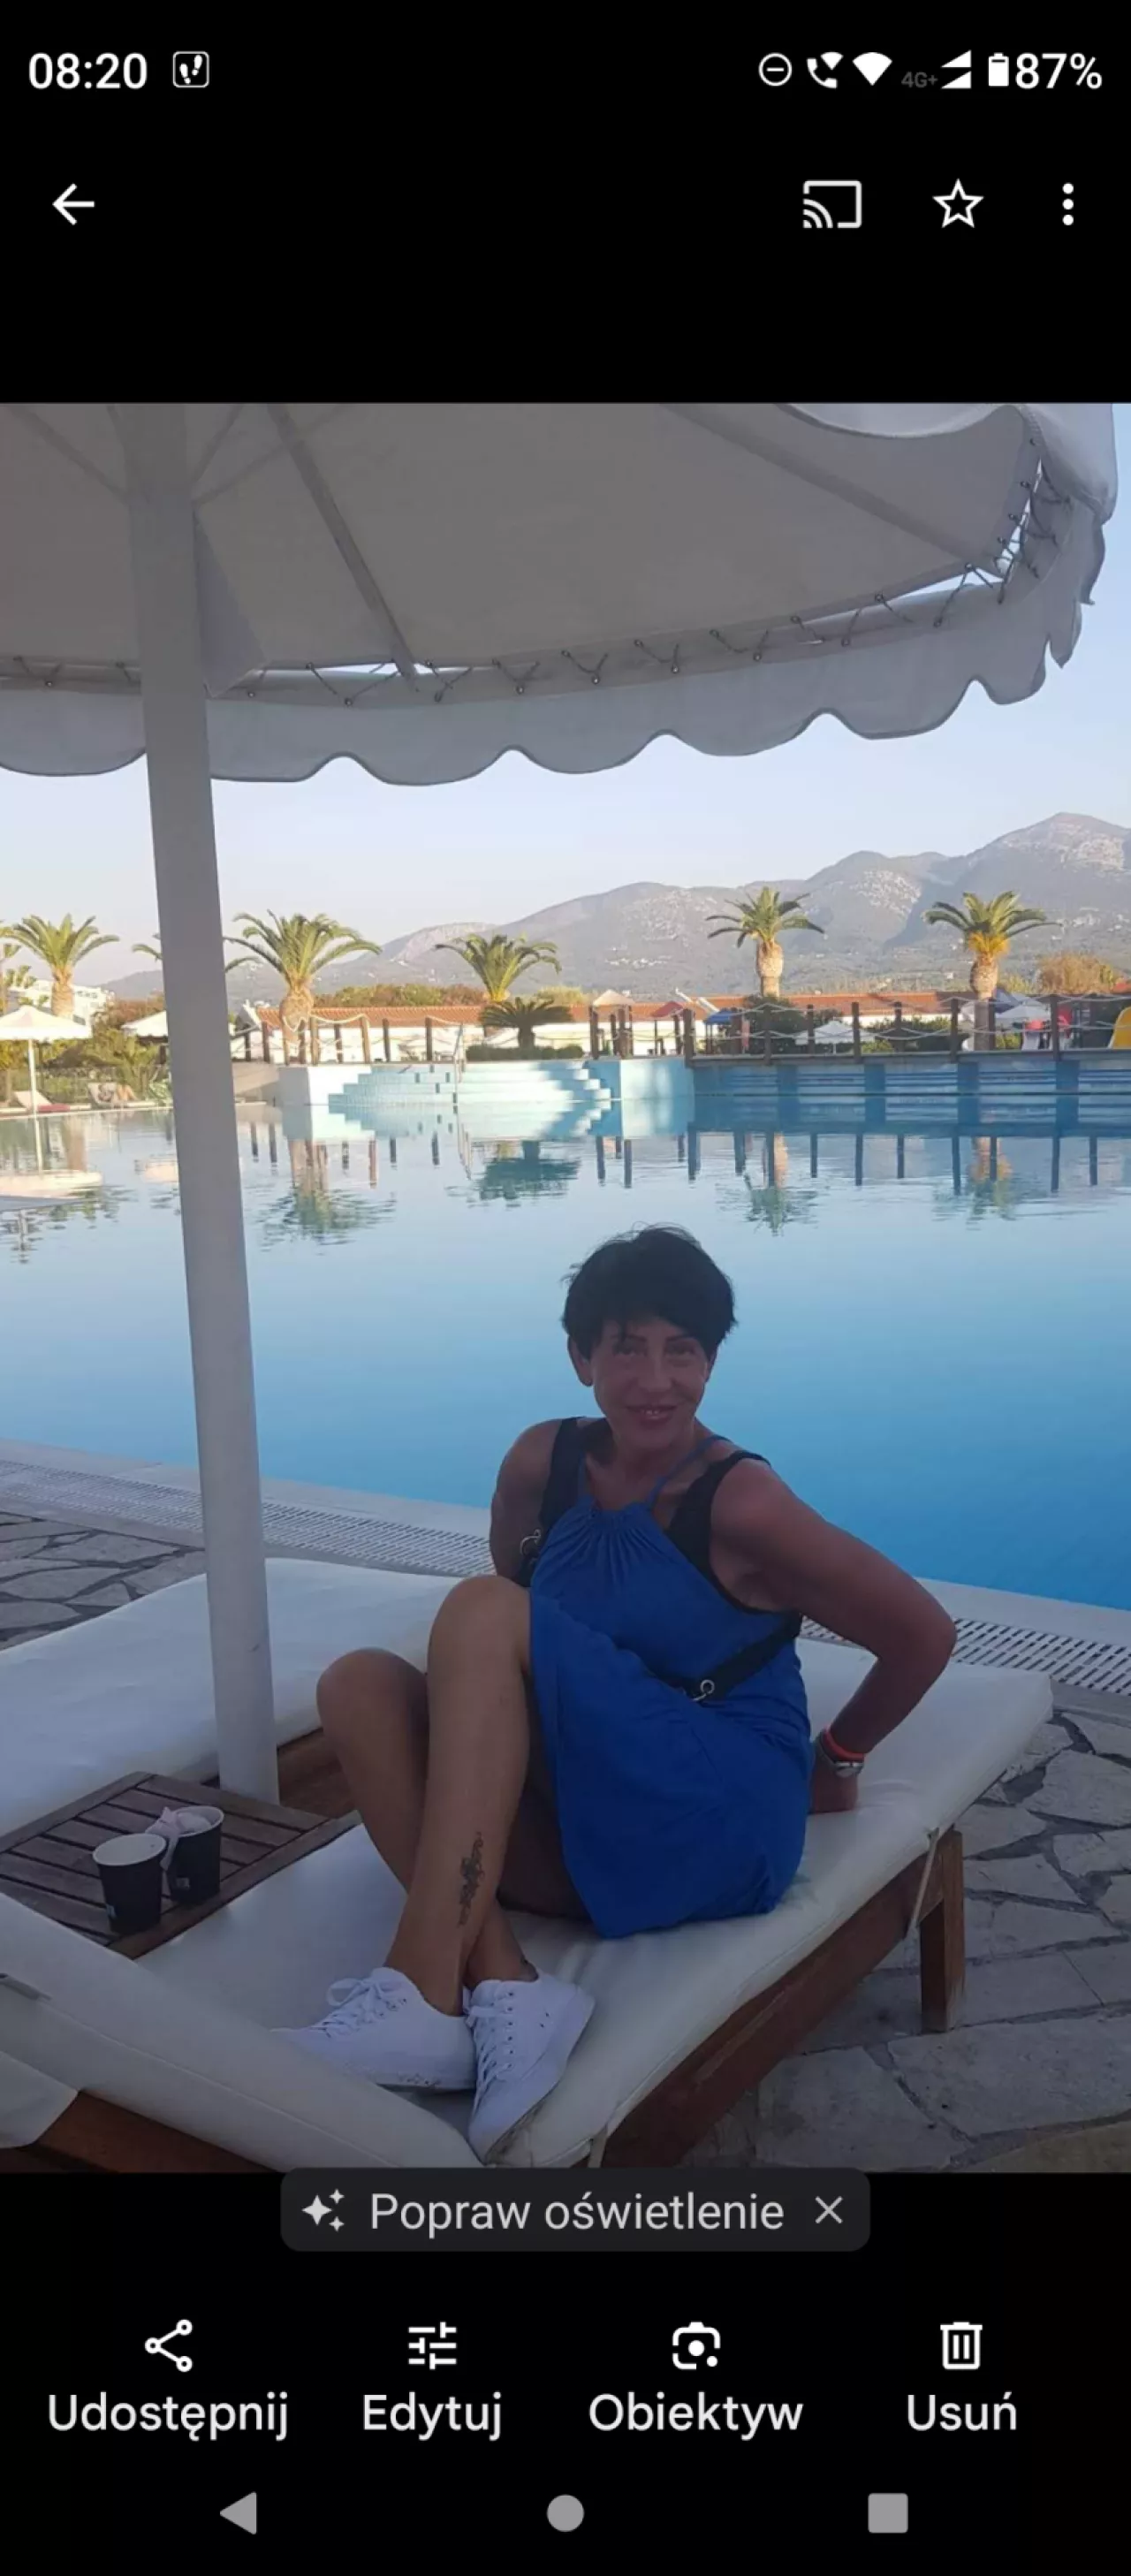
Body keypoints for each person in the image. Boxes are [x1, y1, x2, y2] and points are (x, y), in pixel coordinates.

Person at [281, 1227, 956, 2161]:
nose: (655, 1379)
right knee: (358, 1685)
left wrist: (836, 1759)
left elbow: (923, 1634)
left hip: (711, 1812)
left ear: (710, 1364)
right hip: (586, 1803)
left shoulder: (739, 1500)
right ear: (580, 1357)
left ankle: (421, 1986)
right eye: (627, 1347)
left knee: (479, 1610)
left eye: (683, 1350)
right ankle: (506, 1982)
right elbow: (519, 1630)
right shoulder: (542, 1466)